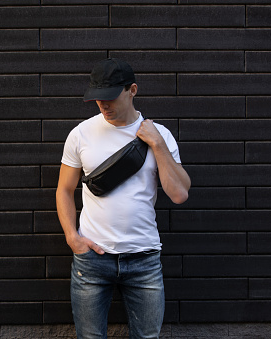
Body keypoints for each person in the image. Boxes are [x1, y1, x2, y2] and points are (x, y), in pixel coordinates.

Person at [56, 58, 191, 339]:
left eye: (110, 97)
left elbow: (179, 193)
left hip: (144, 259)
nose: (103, 105)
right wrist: (72, 237)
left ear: (132, 90)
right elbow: (64, 190)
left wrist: (156, 143)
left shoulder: (161, 135)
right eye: (97, 99)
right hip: (92, 258)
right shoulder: (80, 134)